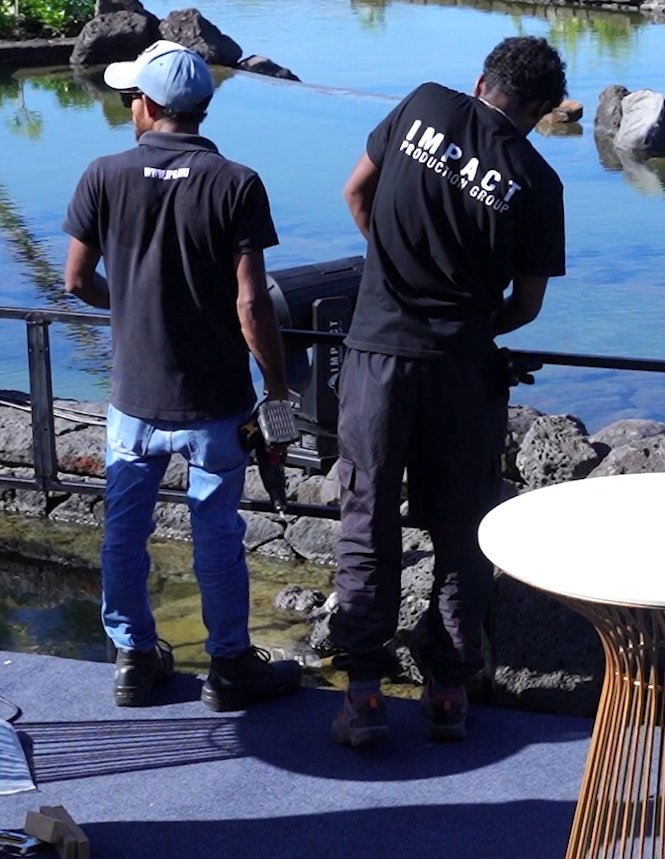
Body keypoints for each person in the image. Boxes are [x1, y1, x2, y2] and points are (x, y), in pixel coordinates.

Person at [329, 36, 567, 746]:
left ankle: (365, 697)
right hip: (462, 368)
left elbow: (355, 191)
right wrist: (467, 321)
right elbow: (525, 306)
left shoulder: (423, 103)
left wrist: (391, 275)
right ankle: (448, 693)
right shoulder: (538, 180)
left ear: (481, 81)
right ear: (541, 112)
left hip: (377, 354)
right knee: (462, 532)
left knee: (366, 520)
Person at [62, 39, 304, 712]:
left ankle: (135, 659)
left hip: (132, 399)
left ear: (147, 105)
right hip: (214, 401)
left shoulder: (102, 174)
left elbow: (76, 279)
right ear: (201, 106)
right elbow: (252, 302)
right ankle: (230, 664)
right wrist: (277, 389)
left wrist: (134, 305)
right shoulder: (237, 182)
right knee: (217, 534)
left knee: (124, 530)